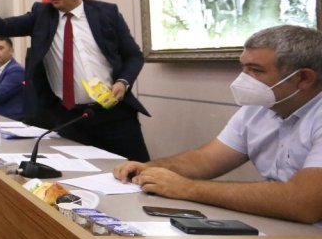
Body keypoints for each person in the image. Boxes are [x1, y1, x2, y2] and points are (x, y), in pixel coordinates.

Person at [113, 25, 322, 224]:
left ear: (304, 78)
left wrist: (187, 188)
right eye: (243, 68)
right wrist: (150, 170)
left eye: (255, 70)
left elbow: (304, 203)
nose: (243, 78)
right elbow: (204, 160)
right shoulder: (257, 109)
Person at [0, 0, 150, 160]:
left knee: (140, 173)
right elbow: (3, 26)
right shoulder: (41, 16)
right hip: (70, 118)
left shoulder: (106, 14)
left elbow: (133, 55)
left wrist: (123, 82)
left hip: (114, 114)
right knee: (80, 179)